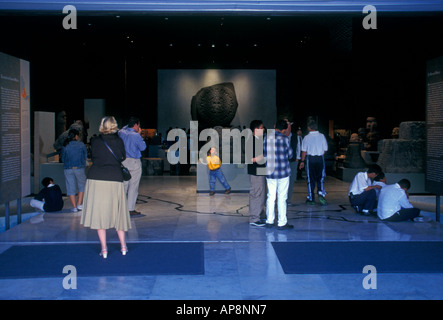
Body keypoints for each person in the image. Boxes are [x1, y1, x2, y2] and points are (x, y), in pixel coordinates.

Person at [81, 116, 131, 259]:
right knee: (119, 214)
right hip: (114, 178)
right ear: (114, 126)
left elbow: (93, 156)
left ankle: (104, 249)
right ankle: (123, 246)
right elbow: (122, 157)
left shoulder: (95, 141)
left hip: (96, 178)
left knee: (99, 215)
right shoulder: (119, 141)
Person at [264, 119, 293, 230]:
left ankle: (269, 221)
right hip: (283, 171)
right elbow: (290, 155)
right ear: (284, 130)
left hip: (270, 171)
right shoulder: (285, 139)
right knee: (282, 197)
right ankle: (282, 223)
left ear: (275, 126)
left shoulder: (266, 138)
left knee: (271, 197)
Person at [118, 117, 147, 215]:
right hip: (134, 162)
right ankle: (130, 209)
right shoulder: (136, 136)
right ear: (135, 125)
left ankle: (121, 208)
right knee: (133, 186)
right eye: (138, 125)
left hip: (123, 161)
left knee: (124, 185)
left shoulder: (121, 132)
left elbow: (124, 128)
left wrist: (130, 125)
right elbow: (143, 147)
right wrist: (139, 134)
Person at [299, 119, 328, 205]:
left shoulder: (306, 137)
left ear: (308, 128)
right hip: (320, 158)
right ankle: (320, 193)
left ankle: (311, 197)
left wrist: (302, 161)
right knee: (321, 178)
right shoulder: (322, 136)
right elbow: (325, 149)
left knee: (310, 178)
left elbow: (304, 151)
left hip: (310, 159)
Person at [61, 128, 87, 212]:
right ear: (76, 136)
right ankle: (79, 204)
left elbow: (63, 158)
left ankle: (74, 206)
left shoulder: (65, 145)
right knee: (81, 186)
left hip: (68, 169)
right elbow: (85, 156)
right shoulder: (81, 145)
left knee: (70, 187)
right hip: (79, 168)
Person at [247, 120, 267, 227]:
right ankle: (254, 218)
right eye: (261, 127)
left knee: (261, 194)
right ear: (256, 129)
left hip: (261, 171)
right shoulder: (251, 141)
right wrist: (263, 157)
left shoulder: (259, 140)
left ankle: (260, 215)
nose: (263, 129)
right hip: (255, 172)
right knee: (256, 194)